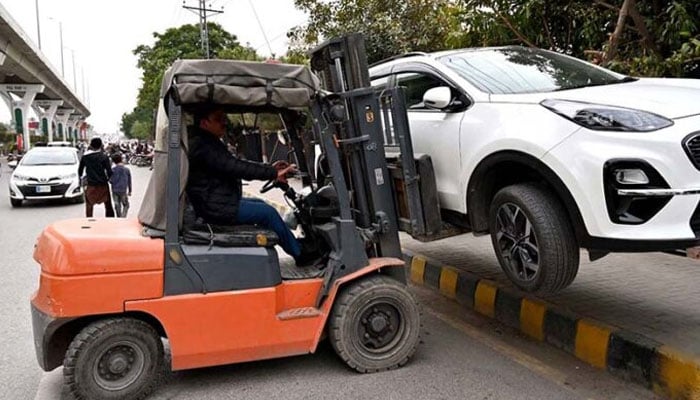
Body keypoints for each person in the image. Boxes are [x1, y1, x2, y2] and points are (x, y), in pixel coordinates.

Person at [186, 106, 304, 261]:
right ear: (204, 123)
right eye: (218, 119)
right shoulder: (203, 146)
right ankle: (301, 254)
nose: (224, 123)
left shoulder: (206, 142)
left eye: (224, 118)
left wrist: (269, 169)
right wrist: (273, 173)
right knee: (269, 213)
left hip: (214, 203)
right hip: (215, 208)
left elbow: (235, 163)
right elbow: (236, 167)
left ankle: (294, 246)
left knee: (260, 203)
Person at [78, 137, 115, 218]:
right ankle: (110, 221)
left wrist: (80, 181)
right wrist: (110, 179)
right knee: (108, 205)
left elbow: (80, 171)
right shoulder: (104, 157)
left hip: (91, 184)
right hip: (103, 184)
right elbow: (109, 171)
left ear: (91, 145)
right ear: (101, 146)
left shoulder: (85, 157)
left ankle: (89, 221)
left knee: (89, 205)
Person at [110, 153, 132, 217]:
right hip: (123, 190)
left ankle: (119, 217)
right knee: (126, 204)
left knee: (117, 204)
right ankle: (123, 216)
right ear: (121, 159)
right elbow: (129, 181)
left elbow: (110, 180)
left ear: (113, 161)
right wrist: (130, 190)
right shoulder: (126, 170)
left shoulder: (112, 170)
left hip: (115, 190)